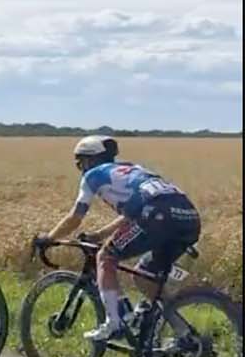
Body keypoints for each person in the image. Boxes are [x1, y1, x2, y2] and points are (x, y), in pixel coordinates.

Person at [38, 135, 203, 343]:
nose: (81, 168)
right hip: (188, 218)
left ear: (89, 160)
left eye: (80, 163)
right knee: (144, 277)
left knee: (106, 256)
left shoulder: (93, 175)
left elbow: (75, 217)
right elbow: (131, 215)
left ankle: (114, 323)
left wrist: (49, 238)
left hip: (156, 215)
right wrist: (98, 235)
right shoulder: (133, 169)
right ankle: (186, 336)